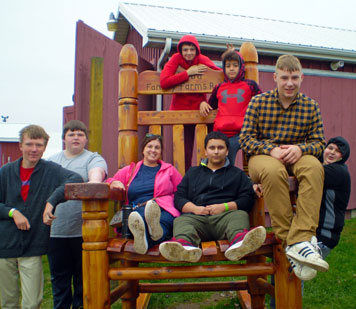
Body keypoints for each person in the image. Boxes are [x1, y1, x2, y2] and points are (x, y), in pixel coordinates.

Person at [239, 54, 328, 281]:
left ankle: (300, 239)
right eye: (285, 77)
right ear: (275, 77)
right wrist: (271, 150)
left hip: (297, 155)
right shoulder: (258, 102)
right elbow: (246, 139)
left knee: (315, 167)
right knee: (273, 171)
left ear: (302, 78)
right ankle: (293, 242)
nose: (290, 83)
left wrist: (301, 149)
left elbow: (319, 143)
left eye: (295, 78)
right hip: (264, 157)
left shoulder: (311, 106)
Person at [0, 125, 82, 309]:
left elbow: (76, 178)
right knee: (8, 302)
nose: (34, 149)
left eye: (39, 145)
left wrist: (52, 201)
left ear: (45, 147)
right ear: (20, 145)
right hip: (4, 246)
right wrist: (13, 212)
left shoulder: (50, 170)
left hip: (32, 246)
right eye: (29, 144)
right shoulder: (6, 171)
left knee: (32, 303)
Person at [268, 136, 351, 308]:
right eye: (330, 148)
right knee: (282, 264)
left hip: (323, 235)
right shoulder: (323, 167)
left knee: (294, 269)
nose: (332, 153)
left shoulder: (337, 172)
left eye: (338, 151)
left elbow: (304, 173)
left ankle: (289, 304)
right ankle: (277, 305)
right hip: (306, 230)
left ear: (342, 157)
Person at [159, 131, 266, 263]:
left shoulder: (237, 174)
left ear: (227, 151)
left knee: (239, 215)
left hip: (225, 218)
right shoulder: (193, 172)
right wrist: (194, 208)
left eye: (220, 148)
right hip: (198, 219)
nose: (216, 151)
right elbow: (179, 197)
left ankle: (240, 243)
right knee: (181, 221)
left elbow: (247, 199)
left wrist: (224, 207)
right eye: (212, 148)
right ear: (206, 151)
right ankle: (184, 247)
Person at [46, 120, 107, 309]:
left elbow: (96, 177)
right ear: (64, 138)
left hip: (83, 231)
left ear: (86, 139)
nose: (76, 137)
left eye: (80, 134)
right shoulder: (51, 161)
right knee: (60, 279)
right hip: (55, 230)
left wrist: (93, 182)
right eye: (71, 134)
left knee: (83, 279)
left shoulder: (93, 159)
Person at [107, 134, 182, 254]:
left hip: (164, 208)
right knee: (138, 218)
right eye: (150, 146)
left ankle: (146, 235)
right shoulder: (130, 170)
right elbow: (108, 181)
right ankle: (151, 231)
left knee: (166, 219)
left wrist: (171, 202)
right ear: (143, 150)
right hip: (138, 208)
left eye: (157, 147)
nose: (153, 150)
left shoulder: (169, 170)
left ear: (161, 151)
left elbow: (181, 190)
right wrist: (115, 182)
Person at [160, 34, 222, 171]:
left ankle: (207, 176)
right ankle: (183, 179)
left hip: (202, 110)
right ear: (180, 51)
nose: (188, 53)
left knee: (207, 146)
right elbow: (164, 81)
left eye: (192, 49)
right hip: (180, 111)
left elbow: (220, 76)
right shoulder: (176, 59)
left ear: (197, 50)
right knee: (184, 151)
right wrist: (188, 73)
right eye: (185, 49)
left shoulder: (201, 60)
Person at [200, 48, 261, 165]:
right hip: (221, 133)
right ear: (224, 68)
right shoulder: (219, 87)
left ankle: (246, 181)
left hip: (242, 133)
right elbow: (210, 105)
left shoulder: (250, 85)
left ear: (241, 67)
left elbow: (261, 103)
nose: (231, 68)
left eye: (235, 65)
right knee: (221, 160)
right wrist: (203, 103)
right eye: (228, 66)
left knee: (248, 157)